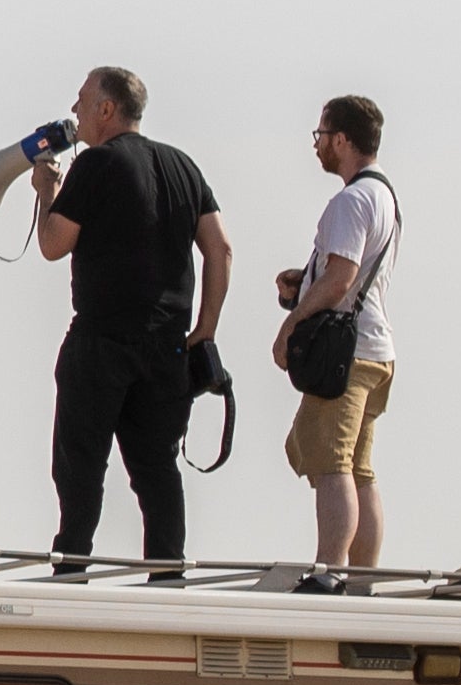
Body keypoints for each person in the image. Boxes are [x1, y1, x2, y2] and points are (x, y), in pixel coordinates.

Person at [22, 63, 231, 566]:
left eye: (81, 100)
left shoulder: (96, 165)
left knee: (80, 464)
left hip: (103, 338)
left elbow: (53, 244)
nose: (74, 111)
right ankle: (167, 575)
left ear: (107, 109)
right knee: (158, 468)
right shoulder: (183, 165)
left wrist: (47, 190)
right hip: (168, 344)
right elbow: (219, 249)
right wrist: (204, 330)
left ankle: (72, 569)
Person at [283, 91, 402, 573]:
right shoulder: (385, 197)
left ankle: (329, 572)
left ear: (342, 139)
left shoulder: (351, 201)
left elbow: (341, 278)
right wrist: (301, 284)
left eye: (322, 135)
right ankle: (362, 579)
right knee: (359, 469)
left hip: (347, 358)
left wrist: (291, 323)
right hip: (377, 351)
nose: (317, 145)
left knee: (332, 466)